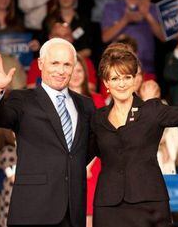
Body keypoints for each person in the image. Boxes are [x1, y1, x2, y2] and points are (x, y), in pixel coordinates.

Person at [0, 37, 95, 226]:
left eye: (67, 64)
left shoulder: (86, 105)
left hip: (73, 211)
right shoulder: (22, 99)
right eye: (55, 63)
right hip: (34, 208)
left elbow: (86, 149)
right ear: (40, 63)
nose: (61, 70)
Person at [89, 44, 178, 227]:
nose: (121, 83)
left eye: (127, 77)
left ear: (135, 79)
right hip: (109, 205)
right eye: (115, 78)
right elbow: (85, 152)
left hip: (149, 202)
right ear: (106, 83)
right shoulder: (97, 118)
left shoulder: (152, 110)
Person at [68, 54, 105, 227]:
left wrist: (87, 166)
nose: (76, 74)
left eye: (79, 70)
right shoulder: (57, 101)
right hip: (64, 168)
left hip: (92, 165)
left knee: (89, 217)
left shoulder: (96, 100)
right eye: (72, 70)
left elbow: (101, 136)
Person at [139, 80, 178, 175]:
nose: (150, 106)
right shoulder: (135, 116)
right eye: (146, 101)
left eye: (153, 100)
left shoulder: (169, 116)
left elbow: (174, 150)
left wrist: (165, 144)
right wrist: (160, 144)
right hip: (144, 172)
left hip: (165, 169)